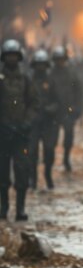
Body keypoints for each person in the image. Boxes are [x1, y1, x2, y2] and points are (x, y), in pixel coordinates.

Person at [0, 39, 38, 220]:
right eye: (8, 55)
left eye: (14, 55)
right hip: (2, 134)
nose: (12, 59)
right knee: (2, 174)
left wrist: (26, 123)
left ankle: (20, 209)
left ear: (19, 57)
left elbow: (33, 103)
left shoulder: (25, 78)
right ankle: (3, 208)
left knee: (22, 172)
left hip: (21, 135)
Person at [29, 49, 59, 190]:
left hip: (48, 123)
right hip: (33, 123)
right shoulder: (28, 80)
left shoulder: (52, 81)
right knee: (32, 152)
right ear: (34, 65)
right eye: (38, 64)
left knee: (49, 150)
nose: (40, 67)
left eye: (42, 64)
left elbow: (58, 101)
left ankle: (47, 174)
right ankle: (33, 179)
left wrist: (50, 108)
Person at [50, 46, 83, 172]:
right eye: (57, 59)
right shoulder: (50, 74)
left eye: (62, 59)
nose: (60, 62)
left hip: (68, 111)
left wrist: (78, 108)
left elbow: (79, 92)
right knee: (51, 139)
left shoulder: (72, 74)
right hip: (54, 112)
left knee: (68, 138)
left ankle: (66, 158)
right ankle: (50, 159)